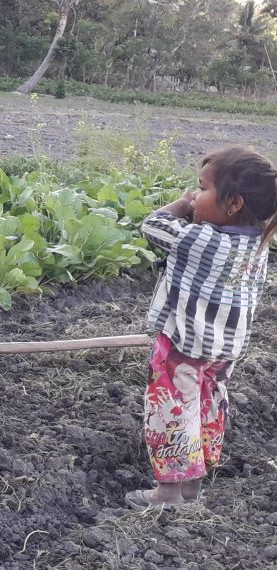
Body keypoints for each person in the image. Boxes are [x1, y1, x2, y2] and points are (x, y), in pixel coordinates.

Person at [126, 145, 277, 508]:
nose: (195, 196)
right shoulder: (257, 244)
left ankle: (167, 494)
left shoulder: (203, 239)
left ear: (233, 203)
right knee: (207, 406)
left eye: (202, 188)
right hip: (225, 350)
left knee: (171, 410)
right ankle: (192, 486)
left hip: (183, 346)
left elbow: (152, 225)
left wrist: (180, 205)